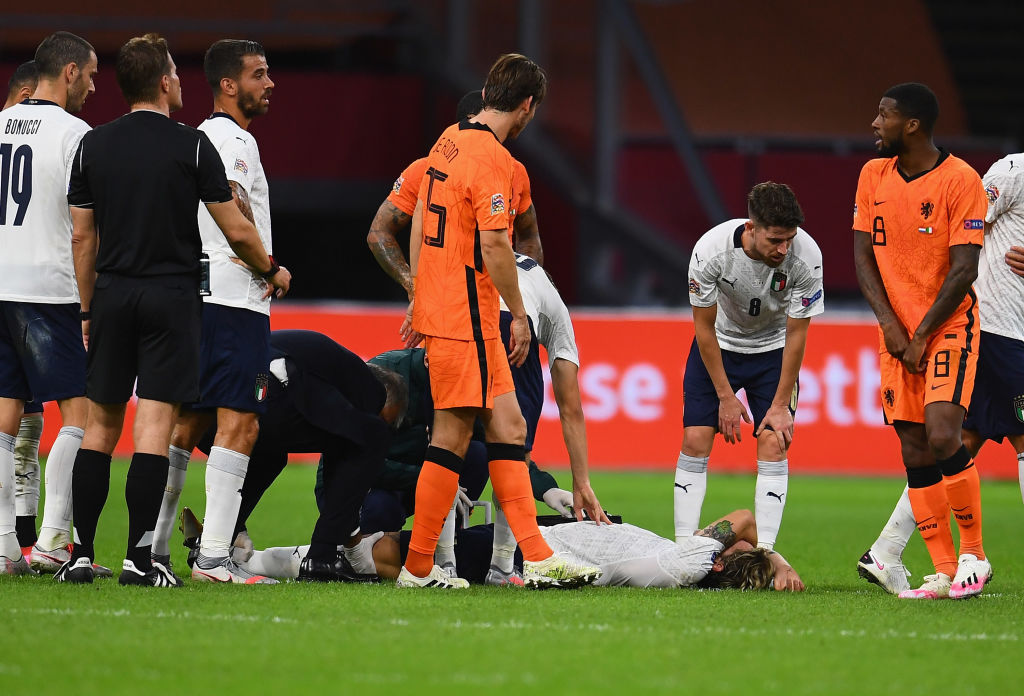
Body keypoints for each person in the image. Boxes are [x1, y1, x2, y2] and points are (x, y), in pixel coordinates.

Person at [59, 33, 288, 587]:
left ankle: (81, 554)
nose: (182, 83)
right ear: (163, 81)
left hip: (112, 294)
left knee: (101, 427)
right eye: (176, 75)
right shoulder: (195, 145)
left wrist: (87, 311)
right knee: (163, 425)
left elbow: (82, 238)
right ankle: (157, 557)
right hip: (181, 295)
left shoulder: (94, 144)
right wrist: (272, 268)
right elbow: (235, 221)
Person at [399, 53, 599, 589]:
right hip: (469, 316)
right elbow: (493, 243)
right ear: (528, 106)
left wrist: (420, 295)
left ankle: (533, 557)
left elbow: (419, 218)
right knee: (451, 438)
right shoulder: (492, 160)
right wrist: (516, 310)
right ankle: (419, 566)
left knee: (507, 429)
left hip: (450, 310)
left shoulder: (448, 139)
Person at [148, 39, 289, 585]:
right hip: (234, 300)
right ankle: (212, 558)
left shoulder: (195, 138)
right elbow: (232, 205)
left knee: (187, 422)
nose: (269, 83)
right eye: (259, 74)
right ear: (228, 85)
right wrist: (269, 266)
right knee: (242, 423)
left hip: (196, 298)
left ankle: (155, 547)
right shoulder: (233, 141)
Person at [857, 149, 1024, 595]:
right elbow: (962, 225)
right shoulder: (1013, 171)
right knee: (955, 438)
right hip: (995, 324)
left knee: (955, 440)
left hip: (993, 327)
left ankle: (890, 549)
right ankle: (955, 556)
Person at [853, 82, 989, 600]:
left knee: (941, 434)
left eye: (883, 115)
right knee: (913, 448)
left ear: (911, 124)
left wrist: (922, 333)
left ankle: (974, 555)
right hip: (895, 335)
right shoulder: (873, 175)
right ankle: (943, 567)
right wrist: (891, 326)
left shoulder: (960, 180)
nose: (874, 123)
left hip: (948, 326)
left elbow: (964, 270)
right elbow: (862, 256)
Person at [674, 182, 823, 551]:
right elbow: (703, 329)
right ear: (751, 228)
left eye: (789, 238)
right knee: (695, 439)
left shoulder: (807, 255)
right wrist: (725, 396)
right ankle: (682, 549)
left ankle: (765, 552)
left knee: (775, 441)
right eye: (775, 239)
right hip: (719, 346)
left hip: (773, 352)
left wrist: (780, 403)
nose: (783, 249)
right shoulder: (710, 252)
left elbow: (797, 333)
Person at [189, 330, 404, 582]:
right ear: (388, 397)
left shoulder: (332, 372)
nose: (380, 418)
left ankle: (214, 544)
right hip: (261, 389)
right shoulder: (373, 391)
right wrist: (352, 546)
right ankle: (321, 560)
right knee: (374, 436)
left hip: (211, 400)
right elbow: (344, 461)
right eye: (388, 417)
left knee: (271, 455)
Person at [0, 33, 98, 576]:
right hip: (48, 287)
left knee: (4, 414)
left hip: (1, 282)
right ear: (67, 71)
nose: (92, 84)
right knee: (78, 414)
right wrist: (86, 307)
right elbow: (84, 234)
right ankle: (56, 538)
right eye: (88, 73)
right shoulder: (74, 134)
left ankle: (3, 549)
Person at [233, 508, 804, 592]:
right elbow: (746, 526)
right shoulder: (690, 562)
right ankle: (246, 559)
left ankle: (246, 559)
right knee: (381, 556)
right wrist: (771, 564)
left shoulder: (692, 558)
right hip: (546, 537)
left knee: (384, 559)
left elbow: (743, 521)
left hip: (540, 546)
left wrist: (777, 560)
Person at [368, 89, 543, 349]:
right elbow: (379, 232)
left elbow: (529, 235)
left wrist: (523, 293)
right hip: (454, 312)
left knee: (510, 390)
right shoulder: (424, 169)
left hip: (500, 312)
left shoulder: (514, 171)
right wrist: (414, 286)